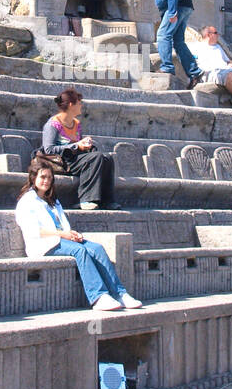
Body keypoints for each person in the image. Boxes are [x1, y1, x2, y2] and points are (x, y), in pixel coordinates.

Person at [15, 159, 141, 311]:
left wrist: (72, 234)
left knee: (97, 248)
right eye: (43, 177)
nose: (46, 181)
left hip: (62, 240)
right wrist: (63, 234)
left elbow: (63, 224)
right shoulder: (27, 201)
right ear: (33, 178)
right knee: (80, 251)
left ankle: (120, 294)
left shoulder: (52, 201)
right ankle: (98, 297)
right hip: (43, 244)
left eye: (49, 177)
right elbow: (33, 230)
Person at [40, 88, 116, 210]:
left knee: (107, 157)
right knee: (96, 157)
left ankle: (107, 200)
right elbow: (48, 149)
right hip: (60, 161)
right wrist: (76, 145)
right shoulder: (53, 125)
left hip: (74, 159)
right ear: (71, 105)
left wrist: (85, 144)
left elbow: (77, 144)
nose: (81, 106)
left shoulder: (76, 123)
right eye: (79, 103)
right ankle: (85, 199)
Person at [141, 0, 203, 86]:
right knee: (178, 41)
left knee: (163, 35)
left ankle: (167, 67)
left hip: (178, 6)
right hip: (180, 6)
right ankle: (194, 73)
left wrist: (173, 11)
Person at [189, 24, 232, 110]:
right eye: (216, 33)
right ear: (209, 34)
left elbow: (228, 60)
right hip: (211, 72)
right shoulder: (195, 46)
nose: (218, 35)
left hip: (227, 70)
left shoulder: (218, 47)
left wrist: (230, 64)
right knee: (229, 75)